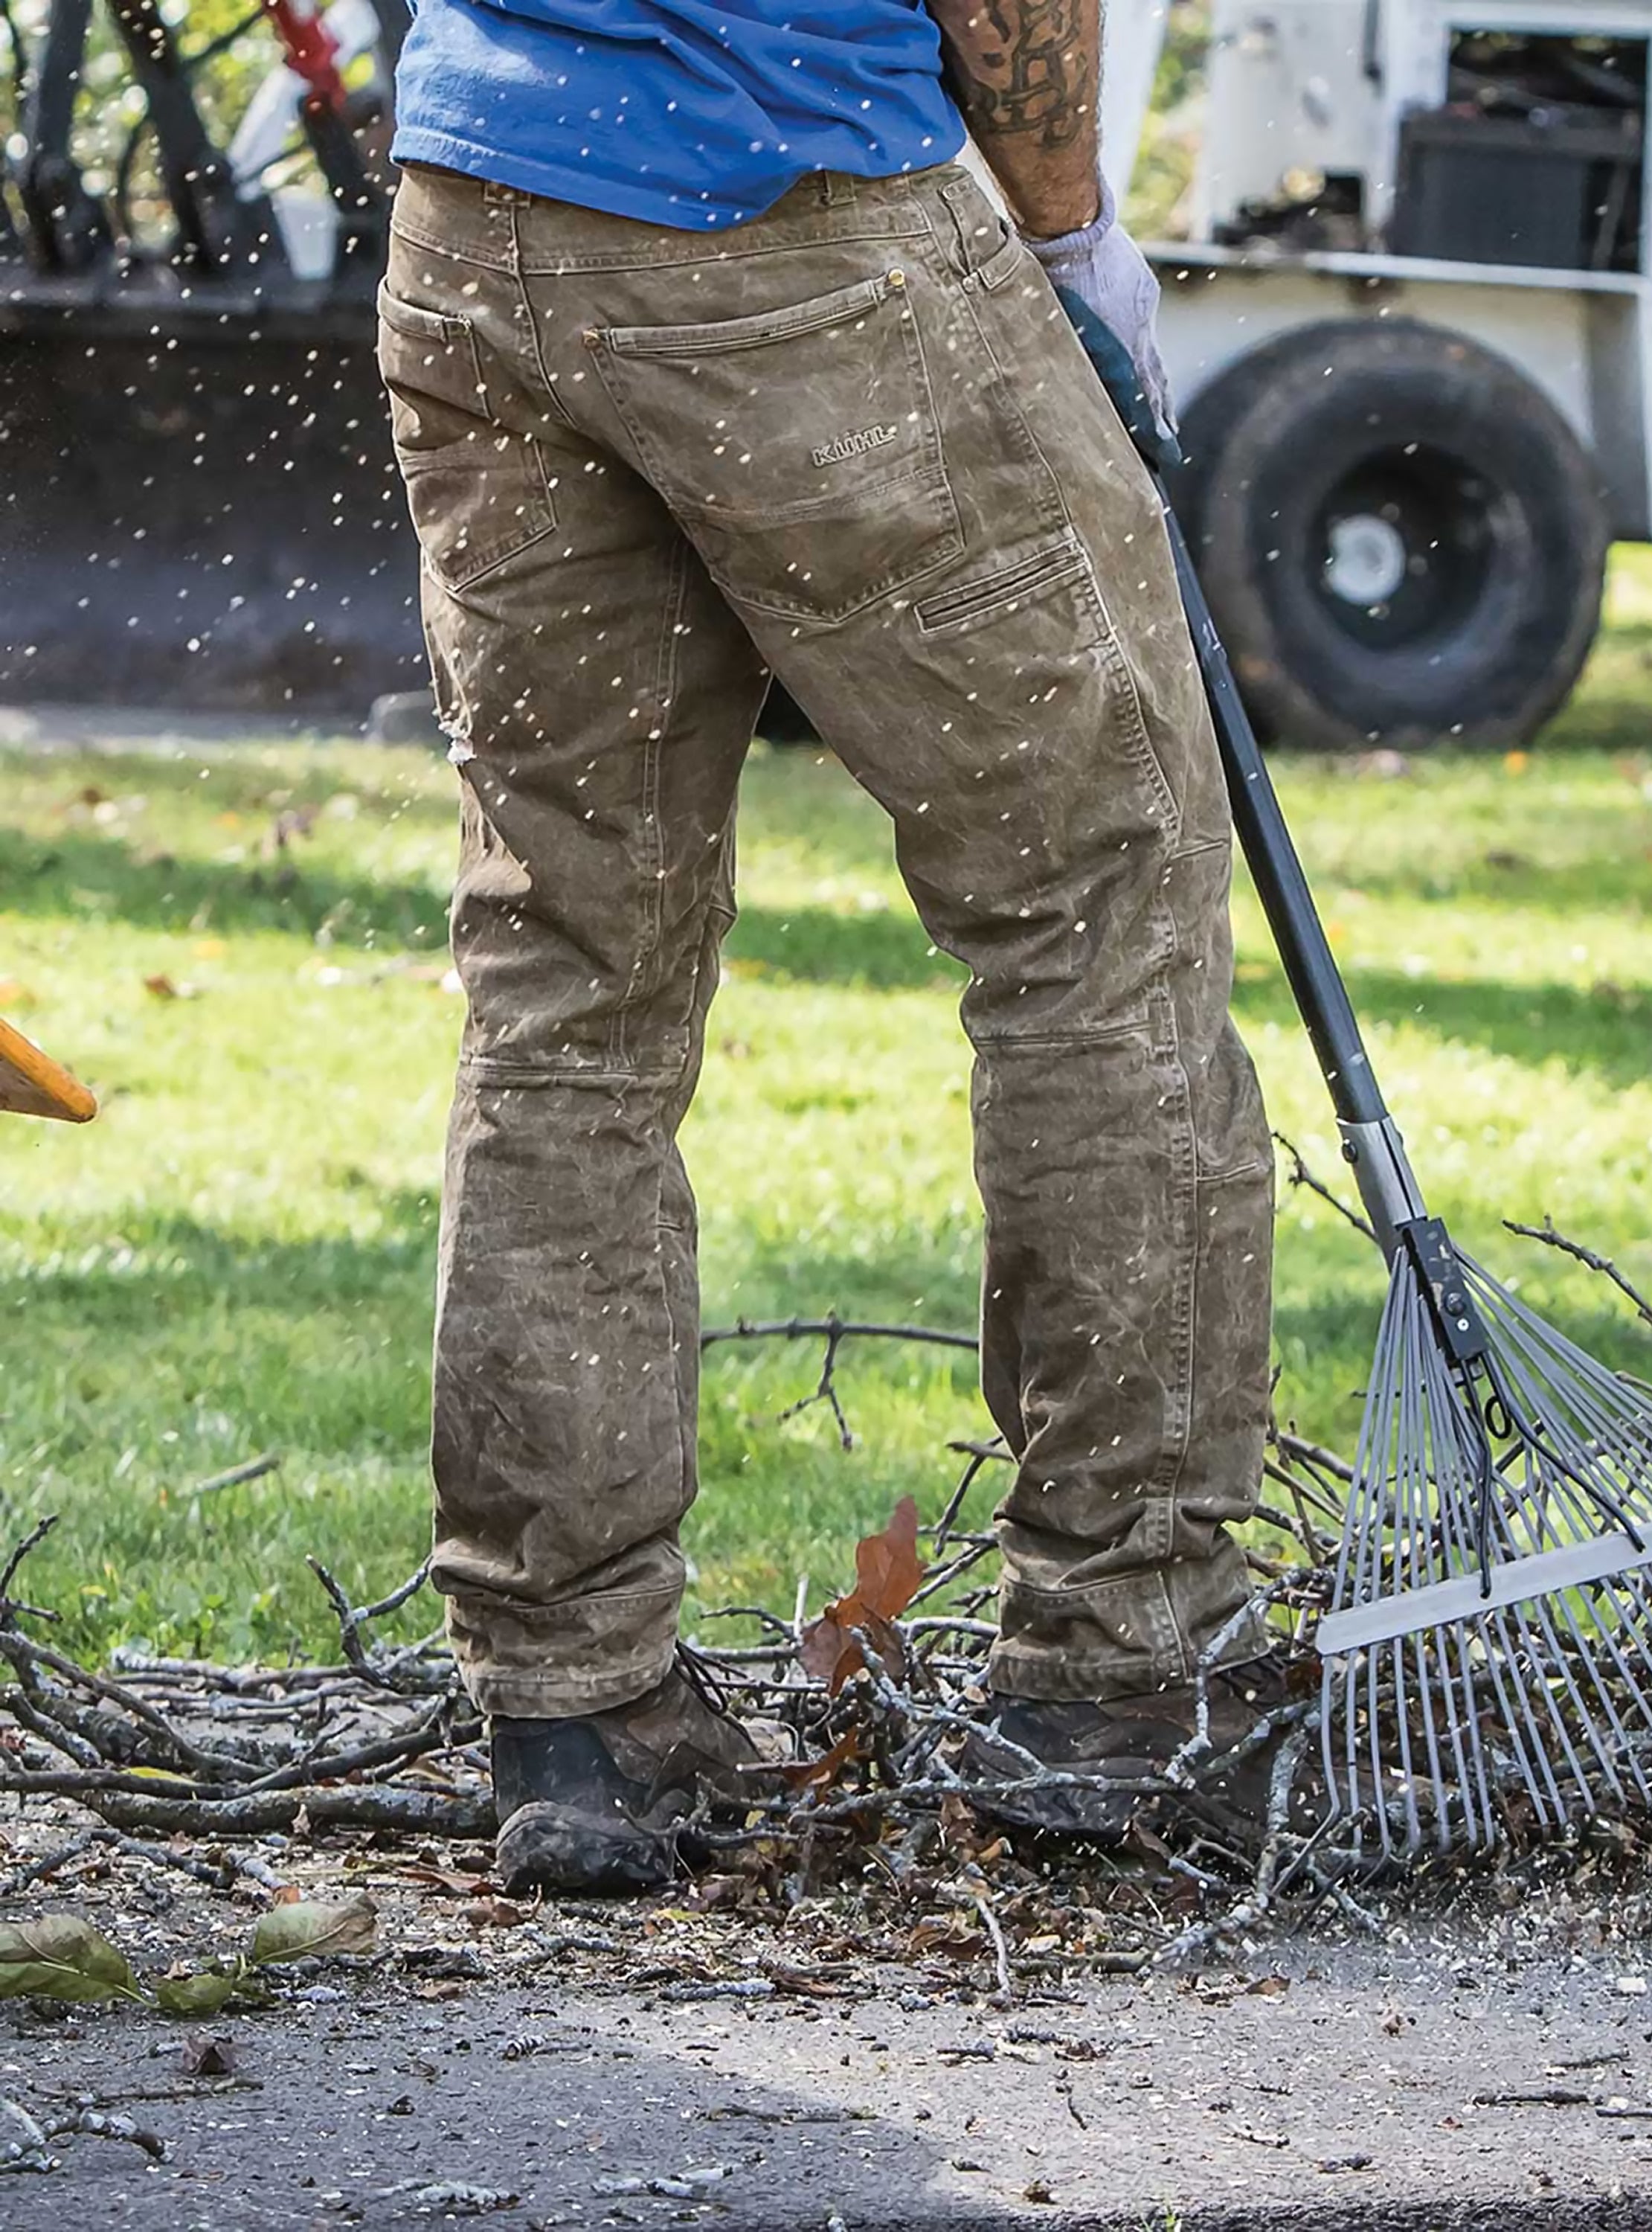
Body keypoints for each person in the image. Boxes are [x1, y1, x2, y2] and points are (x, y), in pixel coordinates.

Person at [376, 0, 1280, 1891]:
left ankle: (577, 1704)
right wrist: (1065, 232)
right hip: (794, 206)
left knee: (564, 966)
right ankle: (1117, 1675)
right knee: (1098, 900)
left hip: (478, 219)